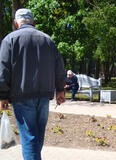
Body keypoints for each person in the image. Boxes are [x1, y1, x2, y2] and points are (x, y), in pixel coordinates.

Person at [0, 8, 66, 160]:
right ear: (33, 22)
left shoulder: (10, 39)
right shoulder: (47, 40)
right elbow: (59, 67)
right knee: (37, 137)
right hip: (43, 96)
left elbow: (3, 70)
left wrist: (3, 95)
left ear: (17, 22)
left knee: (30, 137)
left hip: (22, 95)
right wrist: (60, 90)